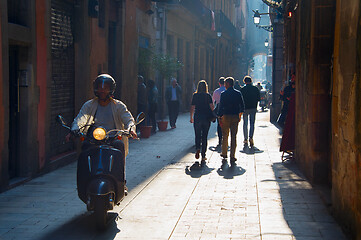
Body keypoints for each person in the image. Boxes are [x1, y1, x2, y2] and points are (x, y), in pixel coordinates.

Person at [67, 73, 137, 157]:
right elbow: (81, 119)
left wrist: (131, 129)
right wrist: (74, 129)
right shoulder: (89, 105)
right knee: (84, 147)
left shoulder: (118, 105)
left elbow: (128, 119)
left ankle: (119, 170)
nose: (102, 91)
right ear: (96, 89)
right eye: (100, 88)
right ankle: (83, 170)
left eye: (106, 88)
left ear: (111, 89)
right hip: (93, 139)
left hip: (112, 138)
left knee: (119, 145)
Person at [218, 77, 245, 165]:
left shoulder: (223, 94)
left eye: (225, 83)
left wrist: (219, 116)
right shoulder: (238, 93)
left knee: (225, 135)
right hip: (235, 116)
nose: (224, 85)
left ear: (228, 84)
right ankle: (232, 156)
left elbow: (221, 106)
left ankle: (224, 153)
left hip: (226, 116)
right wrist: (239, 115)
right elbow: (242, 105)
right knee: (234, 136)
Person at [190, 80, 214, 166]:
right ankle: (203, 155)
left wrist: (191, 117)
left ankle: (197, 149)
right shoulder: (208, 96)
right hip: (206, 118)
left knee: (197, 134)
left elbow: (192, 107)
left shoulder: (195, 95)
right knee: (204, 136)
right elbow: (212, 107)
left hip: (197, 117)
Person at [240, 76, 260, 147]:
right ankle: (251, 137)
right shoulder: (255, 89)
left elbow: (240, 100)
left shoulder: (242, 89)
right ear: (251, 81)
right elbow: (258, 98)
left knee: (245, 123)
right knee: (252, 123)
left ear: (244, 81)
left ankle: (245, 139)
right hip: (253, 108)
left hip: (245, 108)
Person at [212, 77, 226, 146]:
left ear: (219, 83)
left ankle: (220, 139)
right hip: (226, 108)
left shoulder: (216, 91)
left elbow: (213, 101)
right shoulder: (226, 90)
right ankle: (225, 138)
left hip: (218, 108)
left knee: (219, 124)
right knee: (226, 124)